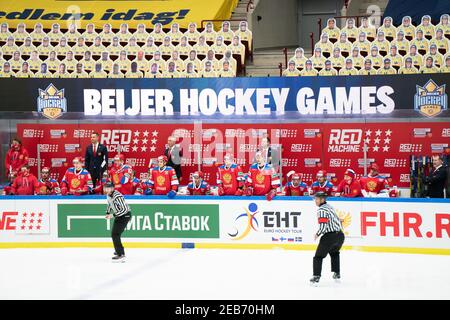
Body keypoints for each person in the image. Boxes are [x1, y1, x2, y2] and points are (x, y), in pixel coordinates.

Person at [310, 191, 345, 286]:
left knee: (318, 257)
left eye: (317, 199)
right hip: (340, 236)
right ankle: (337, 273)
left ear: (322, 199)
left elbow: (323, 227)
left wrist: (317, 234)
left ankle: (316, 276)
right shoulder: (329, 206)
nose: (315, 201)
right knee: (334, 253)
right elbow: (338, 219)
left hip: (329, 237)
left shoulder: (321, 210)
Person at [104, 182, 131, 262]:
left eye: (108, 188)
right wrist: (108, 212)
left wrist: (112, 215)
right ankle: (119, 250)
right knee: (115, 234)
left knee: (115, 234)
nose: (106, 189)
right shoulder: (108, 195)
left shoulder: (117, 196)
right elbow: (109, 204)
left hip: (125, 215)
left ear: (112, 188)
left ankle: (121, 254)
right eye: (106, 188)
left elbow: (124, 210)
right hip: (119, 215)